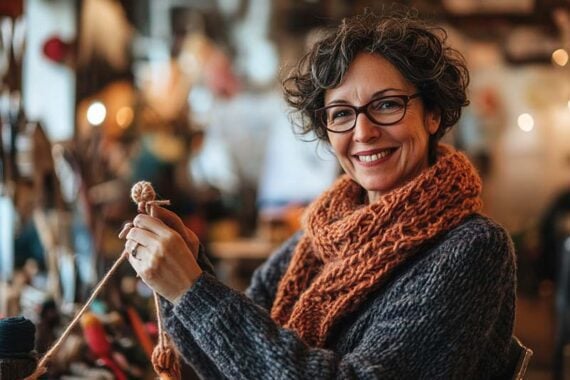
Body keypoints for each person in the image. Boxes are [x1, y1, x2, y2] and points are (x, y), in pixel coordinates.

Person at [121, 10, 521, 379]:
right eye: (342, 113)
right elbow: (233, 364)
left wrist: (192, 291)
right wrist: (186, 271)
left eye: (386, 105)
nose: (363, 133)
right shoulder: (319, 236)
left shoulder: (473, 248)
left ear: (433, 115)